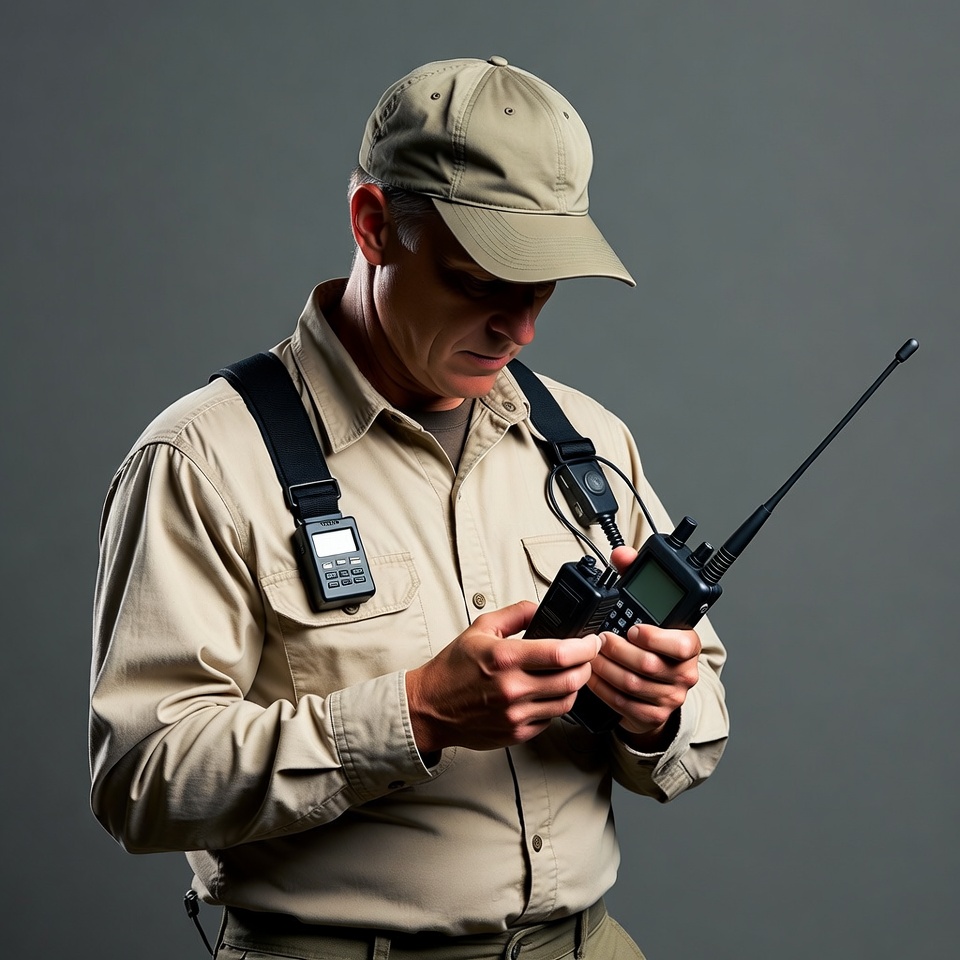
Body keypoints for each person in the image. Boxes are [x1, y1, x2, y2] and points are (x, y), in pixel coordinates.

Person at [90, 56, 729, 960]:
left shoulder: (589, 441)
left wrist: (657, 710)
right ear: (375, 226)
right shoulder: (202, 461)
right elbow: (140, 782)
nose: (522, 329)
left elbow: (701, 716)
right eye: (480, 280)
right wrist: (417, 714)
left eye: (543, 285)